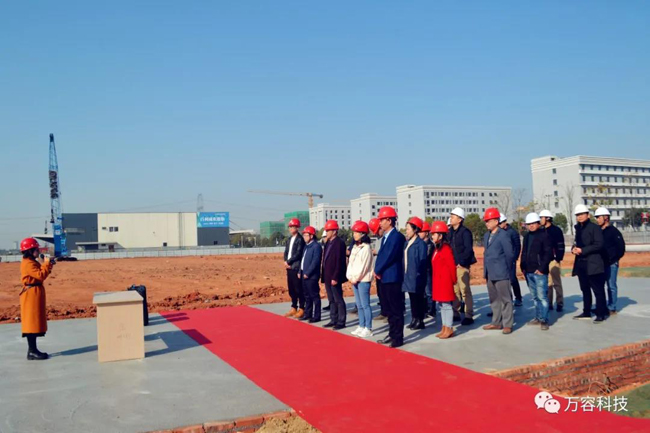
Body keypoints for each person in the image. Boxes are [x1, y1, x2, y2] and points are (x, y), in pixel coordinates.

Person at [374, 206, 406, 348]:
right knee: (390, 311)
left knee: (396, 309)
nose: (380, 223)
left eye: (382, 220)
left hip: (393, 277)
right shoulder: (386, 237)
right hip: (385, 277)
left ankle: (398, 338)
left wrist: (377, 269)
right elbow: (381, 255)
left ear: (389, 220)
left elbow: (389, 256)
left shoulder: (396, 237)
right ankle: (392, 334)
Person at [19, 238, 54, 360]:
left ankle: (33, 350)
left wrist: (47, 264)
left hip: (34, 293)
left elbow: (42, 272)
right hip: (31, 294)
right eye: (36, 249)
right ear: (30, 250)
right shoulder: (28, 263)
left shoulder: (31, 262)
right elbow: (40, 275)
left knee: (34, 321)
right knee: (31, 322)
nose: (38, 251)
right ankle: (32, 351)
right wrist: (46, 263)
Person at [571, 204, 607, 323]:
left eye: (582, 214)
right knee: (585, 289)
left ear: (588, 215)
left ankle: (601, 313)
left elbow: (599, 244)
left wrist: (583, 250)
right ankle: (586, 311)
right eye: (577, 215)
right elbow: (577, 243)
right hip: (581, 264)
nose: (579, 217)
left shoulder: (594, 228)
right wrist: (574, 249)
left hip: (593, 263)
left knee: (598, 290)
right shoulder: (578, 228)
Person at [482, 208, 515, 334]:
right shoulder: (487, 236)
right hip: (490, 273)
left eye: (488, 221)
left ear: (496, 221)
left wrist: (506, 270)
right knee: (494, 299)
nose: (486, 223)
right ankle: (496, 322)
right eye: (486, 221)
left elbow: (509, 255)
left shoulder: (503, 235)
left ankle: (508, 324)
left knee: (505, 299)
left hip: (502, 272)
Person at [520, 213, 552, 331]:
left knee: (542, 297)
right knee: (535, 297)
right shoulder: (527, 236)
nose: (531, 226)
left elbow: (548, 254)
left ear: (538, 223)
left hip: (539, 272)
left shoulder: (544, 236)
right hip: (528, 271)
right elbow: (524, 252)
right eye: (529, 224)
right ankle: (538, 317)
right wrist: (522, 266)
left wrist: (542, 268)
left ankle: (544, 320)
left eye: (533, 223)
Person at [448, 207, 477, 325]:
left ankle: (468, 315)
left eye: (453, 217)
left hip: (462, 266)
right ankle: (455, 312)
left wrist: (461, 263)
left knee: (465, 290)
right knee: (455, 291)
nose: (451, 218)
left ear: (460, 219)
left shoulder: (465, 232)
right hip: (452, 266)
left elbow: (468, 249)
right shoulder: (450, 232)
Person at [595, 207, 626, 315]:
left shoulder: (614, 231)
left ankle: (612, 307)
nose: (597, 220)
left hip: (611, 263)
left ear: (606, 218)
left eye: (599, 217)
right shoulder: (598, 231)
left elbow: (621, 248)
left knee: (611, 286)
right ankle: (602, 306)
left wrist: (614, 259)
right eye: (596, 217)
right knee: (599, 286)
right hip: (600, 263)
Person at [347, 221, 374, 338]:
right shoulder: (355, 247)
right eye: (354, 232)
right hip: (355, 280)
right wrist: (350, 276)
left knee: (365, 305)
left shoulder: (366, 248)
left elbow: (364, 267)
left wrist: (356, 278)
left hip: (363, 280)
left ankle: (368, 328)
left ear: (363, 234)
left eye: (356, 232)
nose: (354, 234)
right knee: (359, 305)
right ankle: (361, 325)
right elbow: (351, 264)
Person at [430, 221, 457, 339]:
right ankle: (444, 327)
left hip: (445, 281)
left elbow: (451, 266)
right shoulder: (437, 248)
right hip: (438, 281)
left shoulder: (445, 248)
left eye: (434, 234)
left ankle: (449, 328)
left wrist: (453, 280)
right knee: (441, 305)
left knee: (446, 305)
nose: (432, 236)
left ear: (440, 235)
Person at [402, 217, 428, 330]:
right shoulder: (407, 243)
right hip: (408, 275)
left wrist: (419, 275)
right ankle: (414, 318)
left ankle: (420, 320)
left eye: (408, 229)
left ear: (415, 229)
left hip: (417, 276)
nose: (406, 231)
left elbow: (422, 261)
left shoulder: (420, 244)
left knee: (418, 299)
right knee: (412, 299)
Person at [321, 220, 348, 329]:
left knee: (338, 299)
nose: (326, 233)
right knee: (331, 299)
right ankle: (333, 319)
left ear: (334, 231)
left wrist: (335, 277)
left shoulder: (339, 243)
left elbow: (339, 261)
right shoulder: (328, 243)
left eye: (328, 230)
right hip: (327, 275)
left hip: (334, 276)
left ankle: (341, 321)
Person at [540, 209, 566, 312]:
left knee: (556, 282)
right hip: (544, 261)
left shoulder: (556, 230)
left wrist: (558, 258)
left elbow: (561, 245)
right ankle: (549, 303)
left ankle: (559, 303)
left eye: (541, 218)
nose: (540, 220)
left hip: (554, 260)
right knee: (548, 283)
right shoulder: (541, 231)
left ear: (547, 218)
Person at [299, 226, 323, 323]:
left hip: (311, 276)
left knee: (314, 296)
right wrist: (300, 272)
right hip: (303, 274)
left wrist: (308, 273)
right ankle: (308, 314)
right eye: (304, 235)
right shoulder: (306, 246)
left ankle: (317, 316)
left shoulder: (316, 246)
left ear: (311, 236)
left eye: (306, 235)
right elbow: (302, 260)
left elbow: (315, 262)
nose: (304, 237)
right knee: (307, 296)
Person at [283, 218, 306, 318]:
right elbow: (286, 252)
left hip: (295, 267)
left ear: (297, 228)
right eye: (290, 227)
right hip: (289, 267)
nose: (291, 228)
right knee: (291, 289)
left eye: (293, 227)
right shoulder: (289, 239)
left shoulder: (300, 239)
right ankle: (293, 307)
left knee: (298, 289)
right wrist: (285, 261)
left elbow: (298, 254)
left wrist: (289, 262)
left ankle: (302, 308)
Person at [499, 213, 523, 307]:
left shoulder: (512, 232)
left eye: (501, 223)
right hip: (502, 260)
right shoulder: (499, 232)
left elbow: (517, 246)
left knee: (512, 279)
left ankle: (518, 298)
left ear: (505, 222)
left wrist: (514, 257)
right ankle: (507, 299)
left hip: (510, 260)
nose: (499, 225)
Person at [369, 218, 389, 323]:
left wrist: (377, 252)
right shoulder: (378, 239)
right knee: (380, 293)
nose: (377, 233)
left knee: (386, 294)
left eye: (377, 231)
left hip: (384, 271)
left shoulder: (386, 238)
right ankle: (383, 312)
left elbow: (387, 253)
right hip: (378, 271)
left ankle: (388, 314)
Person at [419, 221, 435, 318]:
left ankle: (431, 310)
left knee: (429, 291)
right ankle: (425, 309)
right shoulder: (421, 244)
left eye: (421, 232)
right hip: (422, 270)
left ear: (426, 233)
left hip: (428, 270)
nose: (419, 234)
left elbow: (426, 257)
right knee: (423, 292)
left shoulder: (430, 245)